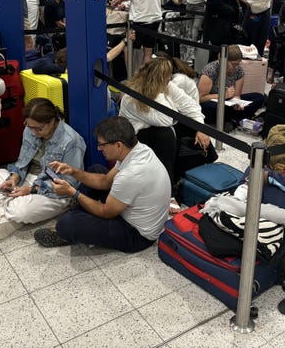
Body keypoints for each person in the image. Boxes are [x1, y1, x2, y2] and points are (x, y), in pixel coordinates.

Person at [33, 116, 170, 252]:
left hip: (137, 234)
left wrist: (73, 193)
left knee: (66, 225)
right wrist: (73, 171)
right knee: (96, 170)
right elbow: (105, 181)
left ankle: (71, 227)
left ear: (118, 145)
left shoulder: (131, 174)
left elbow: (106, 212)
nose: (99, 149)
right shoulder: (138, 150)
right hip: (131, 211)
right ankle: (79, 217)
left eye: (102, 145)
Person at [0, 98, 86, 241]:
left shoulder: (71, 142)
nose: (34, 132)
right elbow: (22, 162)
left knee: (21, 211)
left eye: (38, 128)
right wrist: (13, 178)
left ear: (52, 121)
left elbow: (69, 184)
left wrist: (31, 190)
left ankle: (7, 212)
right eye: (29, 126)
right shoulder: (30, 130)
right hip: (28, 179)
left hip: (54, 190)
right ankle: (6, 216)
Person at [119, 57, 209, 189]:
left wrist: (201, 128)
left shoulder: (167, 86)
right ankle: (167, 188)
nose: (170, 79)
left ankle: (188, 175)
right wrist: (160, 93)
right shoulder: (132, 97)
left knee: (192, 126)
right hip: (137, 137)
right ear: (158, 79)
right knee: (165, 134)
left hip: (158, 127)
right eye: (167, 76)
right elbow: (166, 120)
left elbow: (190, 105)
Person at [197, 44, 265, 131]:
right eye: (233, 64)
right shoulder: (210, 70)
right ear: (223, 61)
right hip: (213, 103)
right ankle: (235, 119)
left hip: (228, 103)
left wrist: (237, 103)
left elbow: (237, 95)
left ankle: (231, 119)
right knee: (211, 108)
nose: (236, 67)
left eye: (238, 64)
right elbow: (200, 98)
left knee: (258, 97)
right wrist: (222, 95)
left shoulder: (238, 70)